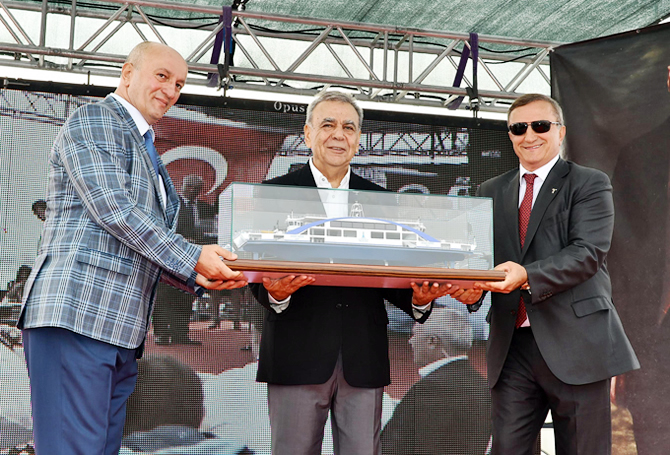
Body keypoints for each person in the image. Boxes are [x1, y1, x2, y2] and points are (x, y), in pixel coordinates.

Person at [18, 41, 247, 455]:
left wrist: (200, 276)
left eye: (179, 84)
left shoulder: (145, 146)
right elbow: (115, 210)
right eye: (162, 76)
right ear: (127, 74)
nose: (171, 90)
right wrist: (194, 257)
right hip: (78, 316)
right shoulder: (96, 119)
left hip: (119, 330)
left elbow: (141, 240)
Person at [249, 90, 463, 455]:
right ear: (308, 134)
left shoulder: (382, 200)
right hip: (296, 355)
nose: (339, 134)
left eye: (348, 127)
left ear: (358, 138)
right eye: (328, 125)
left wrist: (418, 299)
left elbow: (393, 276)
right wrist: (276, 293)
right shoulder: (272, 194)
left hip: (363, 357)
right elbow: (256, 269)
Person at [459, 93, 639, 454]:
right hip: (512, 346)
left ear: (561, 132)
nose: (529, 135)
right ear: (510, 135)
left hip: (578, 344)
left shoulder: (589, 183)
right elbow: (480, 261)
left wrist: (526, 274)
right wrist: (470, 289)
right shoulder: (489, 191)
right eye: (518, 128)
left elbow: (587, 253)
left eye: (540, 125)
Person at [380, 308, 491, 455]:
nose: (411, 341)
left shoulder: (430, 389)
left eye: (415, 334)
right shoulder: (482, 387)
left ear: (432, 341)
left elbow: (397, 445)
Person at [152, 174, 216, 345]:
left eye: (198, 189)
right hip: (170, 257)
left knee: (186, 296)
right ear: (184, 187)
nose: (194, 191)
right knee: (165, 296)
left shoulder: (202, 207)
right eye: (192, 188)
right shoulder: (171, 204)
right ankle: (161, 333)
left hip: (193, 258)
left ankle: (180, 333)